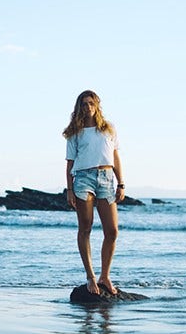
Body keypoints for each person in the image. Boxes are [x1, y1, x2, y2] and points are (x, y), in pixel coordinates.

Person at [63, 90, 125, 295]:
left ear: (97, 105)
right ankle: (90, 277)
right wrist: (69, 190)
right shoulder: (75, 132)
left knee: (112, 231)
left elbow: (115, 157)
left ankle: (104, 276)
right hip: (82, 179)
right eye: (84, 104)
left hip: (107, 178)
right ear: (79, 107)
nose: (87, 107)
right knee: (85, 228)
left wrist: (121, 183)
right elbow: (69, 164)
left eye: (91, 103)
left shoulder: (108, 129)